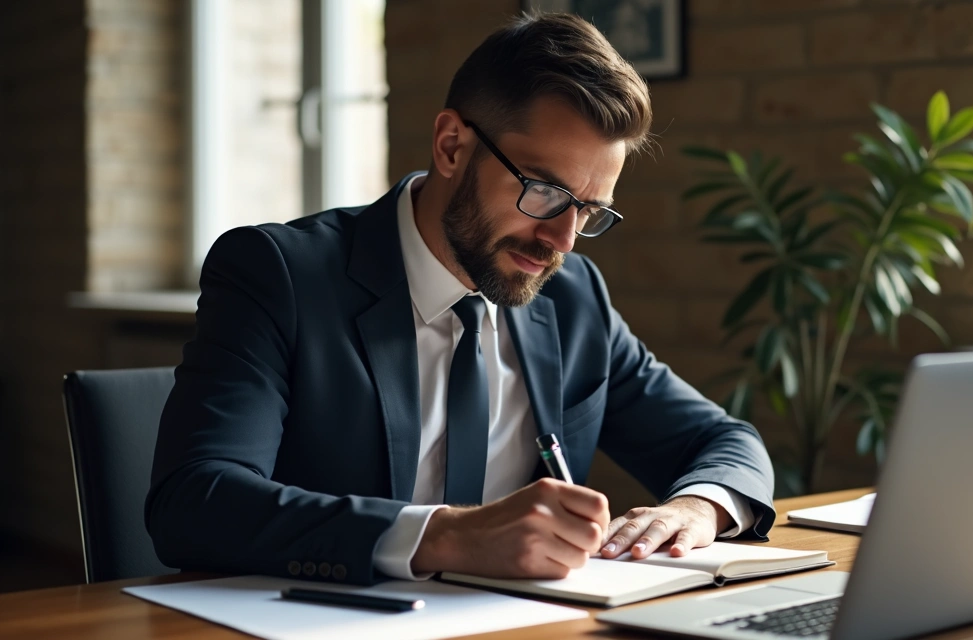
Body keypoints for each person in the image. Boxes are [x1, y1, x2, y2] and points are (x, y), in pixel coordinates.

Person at [146, 12, 774, 586]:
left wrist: (700, 505)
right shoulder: (279, 274)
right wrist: (443, 536)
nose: (562, 239)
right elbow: (195, 500)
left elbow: (725, 441)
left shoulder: (575, 298)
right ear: (451, 146)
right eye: (544, 191)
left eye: (589, 211)